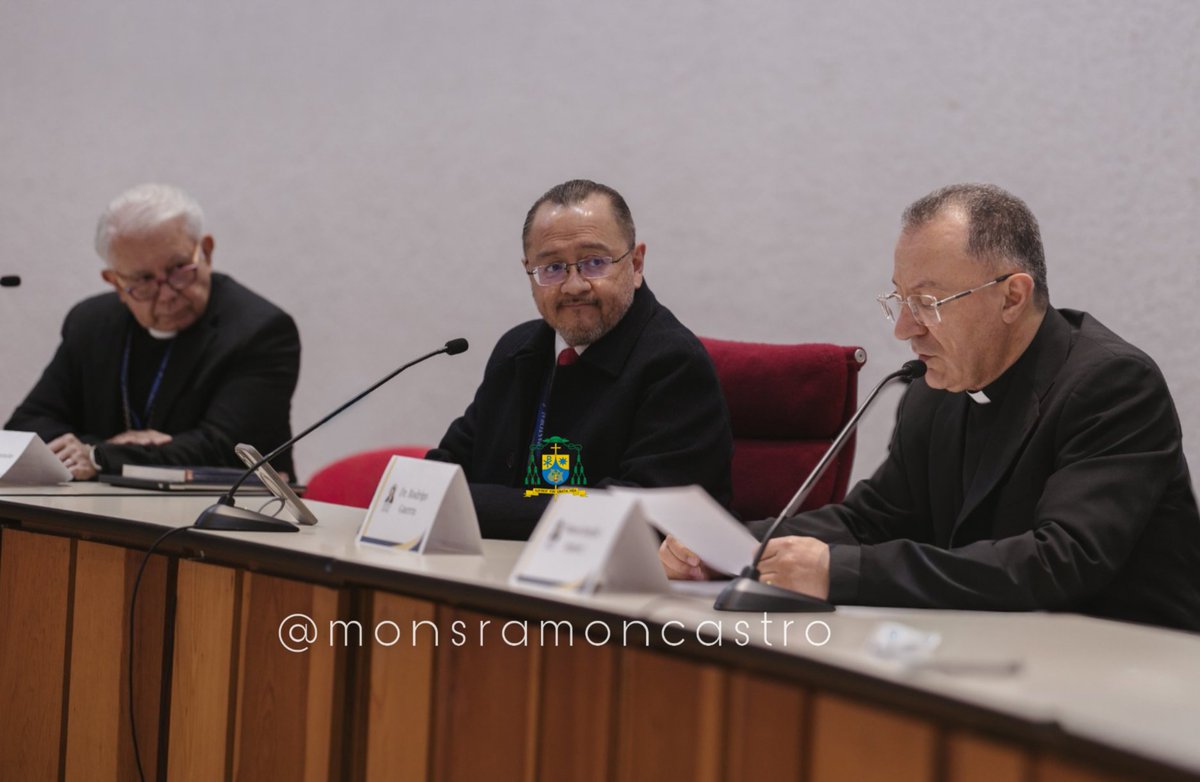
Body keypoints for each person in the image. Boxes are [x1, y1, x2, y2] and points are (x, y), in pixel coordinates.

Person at [661, 183, 1200, 632]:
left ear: (1012, 296)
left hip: (1128, 668)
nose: (904, 329)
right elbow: (871, 521)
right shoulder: (933, 388)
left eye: (927, 303)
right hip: (999, 649)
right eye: (900, 300)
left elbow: (1060, 560)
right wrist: (732, 547)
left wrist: (839, 573)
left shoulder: (1112, 385)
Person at [428, 179, 733, 539]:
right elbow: (442, 474)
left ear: (636, 265)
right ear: (529, 271)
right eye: (552, 267)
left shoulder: (674, 365)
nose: (574, 285)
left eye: (594, 263)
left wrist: (467, 505)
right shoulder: (517, 350)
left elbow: (639, 517)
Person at [6, 183, 301, 479]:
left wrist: (98, 455)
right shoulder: (91, 324)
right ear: (115, 282)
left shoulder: (260, 331)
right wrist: (103, 450)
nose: (168, 294)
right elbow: (25, 428)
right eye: (144, 280)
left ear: (206, 252)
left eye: (178, 268)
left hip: (233, 505)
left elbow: (225, 448)